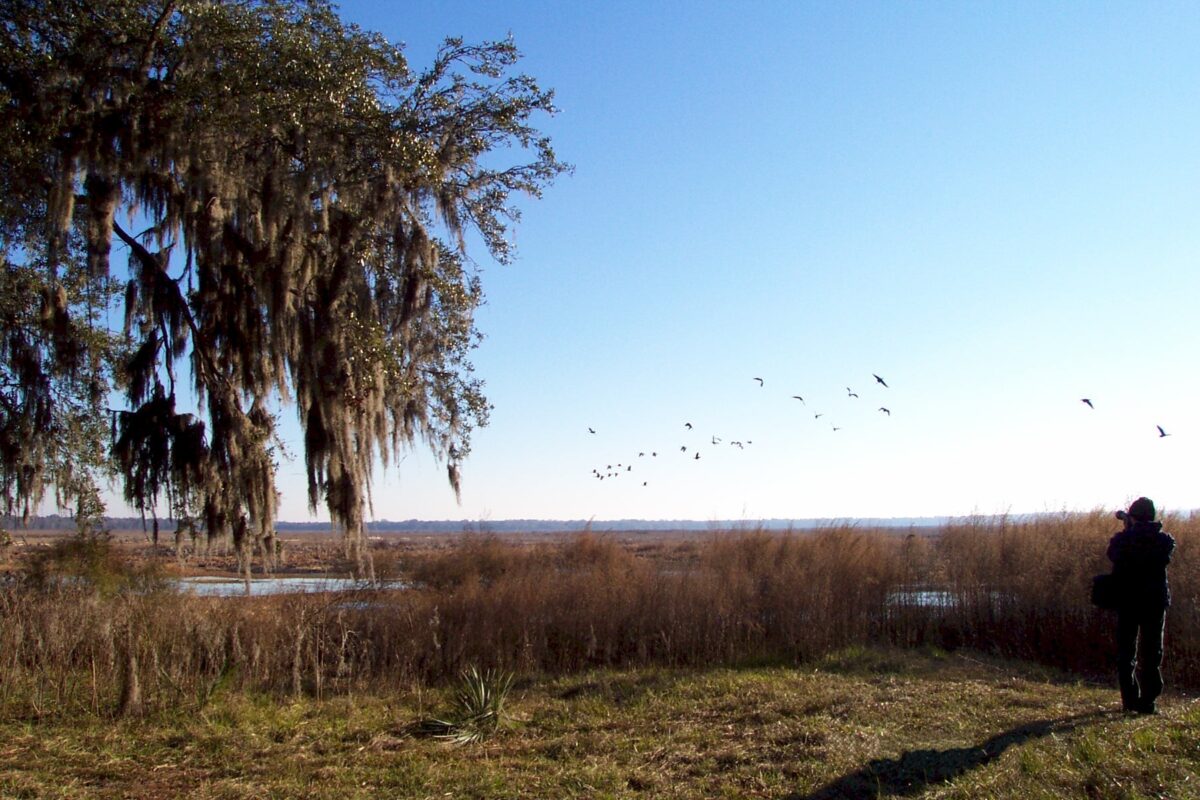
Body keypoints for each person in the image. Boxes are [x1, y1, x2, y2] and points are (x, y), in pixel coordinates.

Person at [1106, 497, 1175, 714]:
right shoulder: (1162, 540)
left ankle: (1130, 701)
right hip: (1154, 602)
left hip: (1129, 601)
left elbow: (1114, 555)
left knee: (1127, 652)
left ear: (1133, 517)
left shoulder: (1124, 540)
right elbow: (1161, 553)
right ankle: (1148, 702)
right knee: (1152, 652)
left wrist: (1129, 530)